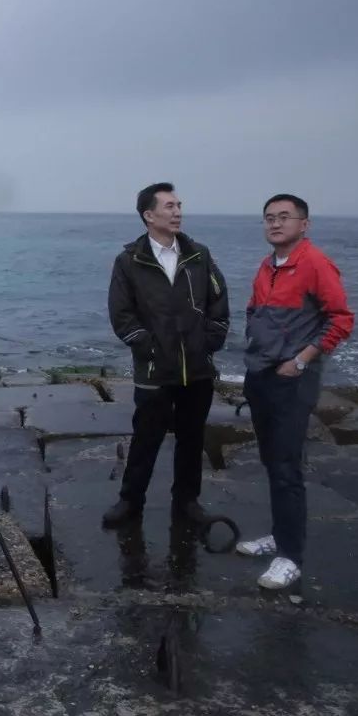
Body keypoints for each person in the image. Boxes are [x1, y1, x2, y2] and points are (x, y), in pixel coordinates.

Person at [235, 193, 354, 590]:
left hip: (292, 379)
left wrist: (300, 360)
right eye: (269, 217)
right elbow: (255, 312)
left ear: (304, 224)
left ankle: (291, 556)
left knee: (287, 467)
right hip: (261, 375)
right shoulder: (267, 266)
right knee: (272, 460)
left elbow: (340, 320)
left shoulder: (315, 264)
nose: (275, 223)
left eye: (284, 217)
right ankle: (279, 535)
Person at [105, 182, 230, 528]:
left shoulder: (199, 255)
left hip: (198, 370)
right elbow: (121, 313)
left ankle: (187, 502)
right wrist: (149, 346)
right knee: (146, 439)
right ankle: (130, 501)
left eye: (179, 206)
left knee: (192, 440)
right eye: (169, 206)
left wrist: (211, 340)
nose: (177, 212)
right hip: (154, 371)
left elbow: (218, 301)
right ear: (149, 215)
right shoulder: (129, 261)